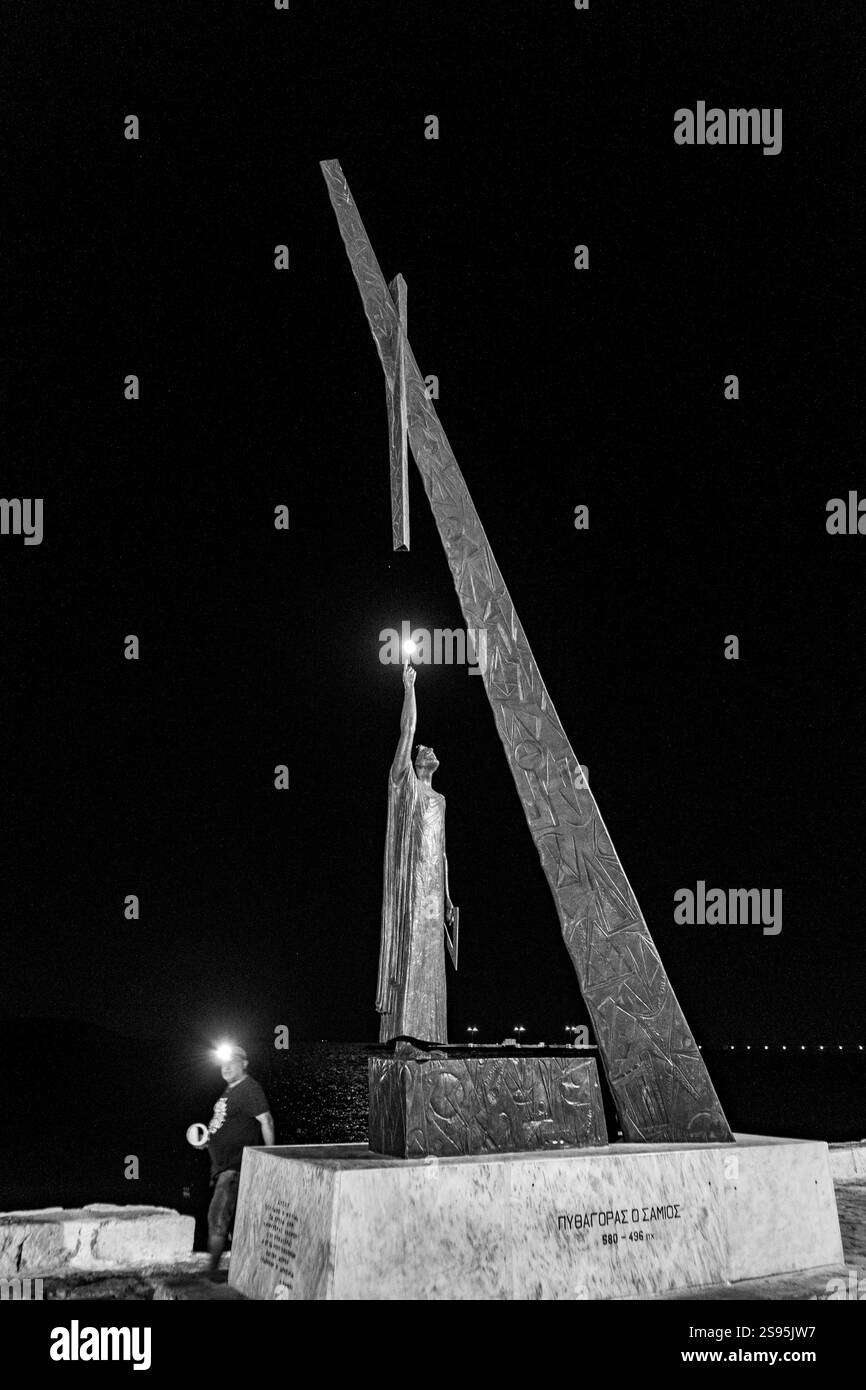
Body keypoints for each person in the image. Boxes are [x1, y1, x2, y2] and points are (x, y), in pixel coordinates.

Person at [376, 662, 456, 1044]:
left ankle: (433, 1033)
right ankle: (404, 1032)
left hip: (432, 892)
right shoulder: (404, 783)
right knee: (409, 954)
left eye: (433, 750)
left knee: (431, 960)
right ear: (416, 759)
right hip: (411, 885)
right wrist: (409, 688)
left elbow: (442, 853)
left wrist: (448, 897)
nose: (431, 750)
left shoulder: (440, 799)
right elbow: (407, 730)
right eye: (426, 749)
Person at [198, 1045, 274, 1276]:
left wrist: (270, 1157)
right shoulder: (229, 1091)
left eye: (232, 1062)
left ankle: (211, 1270)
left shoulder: (249, 1088)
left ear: (244, 1063)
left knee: (218, 1214)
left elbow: (266, 1121)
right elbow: (224, 1124)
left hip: (235, 1166)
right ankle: (238, 1266)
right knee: (232, 1217)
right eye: (223, 1063)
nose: (226, 1067)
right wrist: (206, 1140)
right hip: (222, 1167)